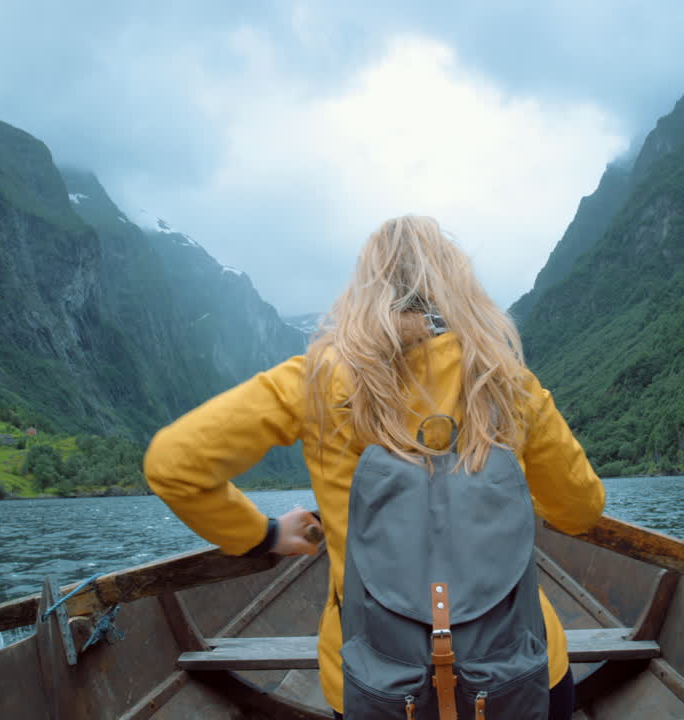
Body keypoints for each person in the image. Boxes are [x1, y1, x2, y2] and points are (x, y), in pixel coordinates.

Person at [144, 215, 605, 719]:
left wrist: (265, 535)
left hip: (376, 681)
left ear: (364, 289)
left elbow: (174, 464)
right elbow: (581, 511)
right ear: (457, 286)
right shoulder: (508, 383)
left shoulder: (314, 381)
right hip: (518, 670)